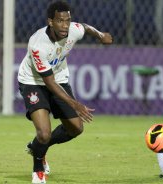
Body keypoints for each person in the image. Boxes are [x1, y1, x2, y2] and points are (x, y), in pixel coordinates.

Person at [17, 1, 113, 183]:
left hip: (59, 78)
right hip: (33, 82)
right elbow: (49, 83)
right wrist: (75, 104)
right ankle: (38, 170)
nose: (65, 25)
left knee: (76, 128)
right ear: (50, 22)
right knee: (44, 133)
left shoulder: (73, 30)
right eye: (60, 21)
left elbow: (85, 28)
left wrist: (101, 36)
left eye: (67, 20)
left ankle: (38, 147)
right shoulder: (38, 44)